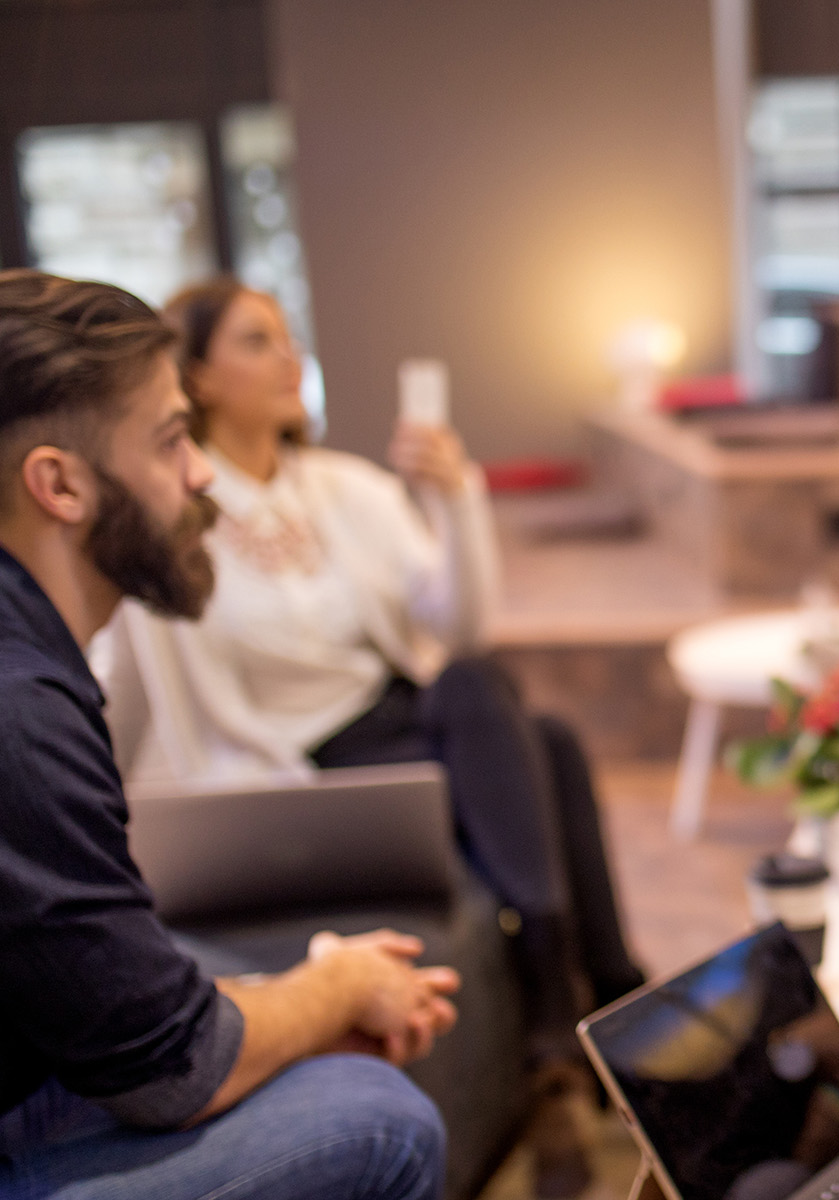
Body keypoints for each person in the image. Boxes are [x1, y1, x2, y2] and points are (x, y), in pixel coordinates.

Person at [91, 278, 643, 1198]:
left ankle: (564, 1026)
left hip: (405, 718)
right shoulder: (176, 514)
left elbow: (461, 623)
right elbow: (128, 680)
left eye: (286, 336)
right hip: (308, 761)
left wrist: (454, 497)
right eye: (258, 341)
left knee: (482, 686)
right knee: (544, 742)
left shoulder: (346, 488)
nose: (289, 356)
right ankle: (603, 1001)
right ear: (200, 377)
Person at [0, 268, 457, 1199]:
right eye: (171, 441)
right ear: (60, 485)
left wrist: (309, 995)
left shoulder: (32, 658)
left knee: (224, 979)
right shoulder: (21, 712)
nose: (202, 471)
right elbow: (168, 1069)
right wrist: (334, 990)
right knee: (383, 1122)